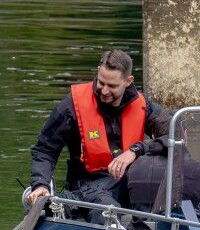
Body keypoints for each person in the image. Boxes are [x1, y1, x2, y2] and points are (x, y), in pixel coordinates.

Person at [26, 49, 169, 212]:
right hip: (86, 191)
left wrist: (136, 150)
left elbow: (175, 135)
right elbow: (45, 150)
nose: (105, 91)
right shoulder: (71, 105)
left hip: (130, 185)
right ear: (98, 71)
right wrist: (40, 184)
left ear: (128, 81)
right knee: (105, 207)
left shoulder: (144, 105)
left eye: (112, 86)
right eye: (101, 83)